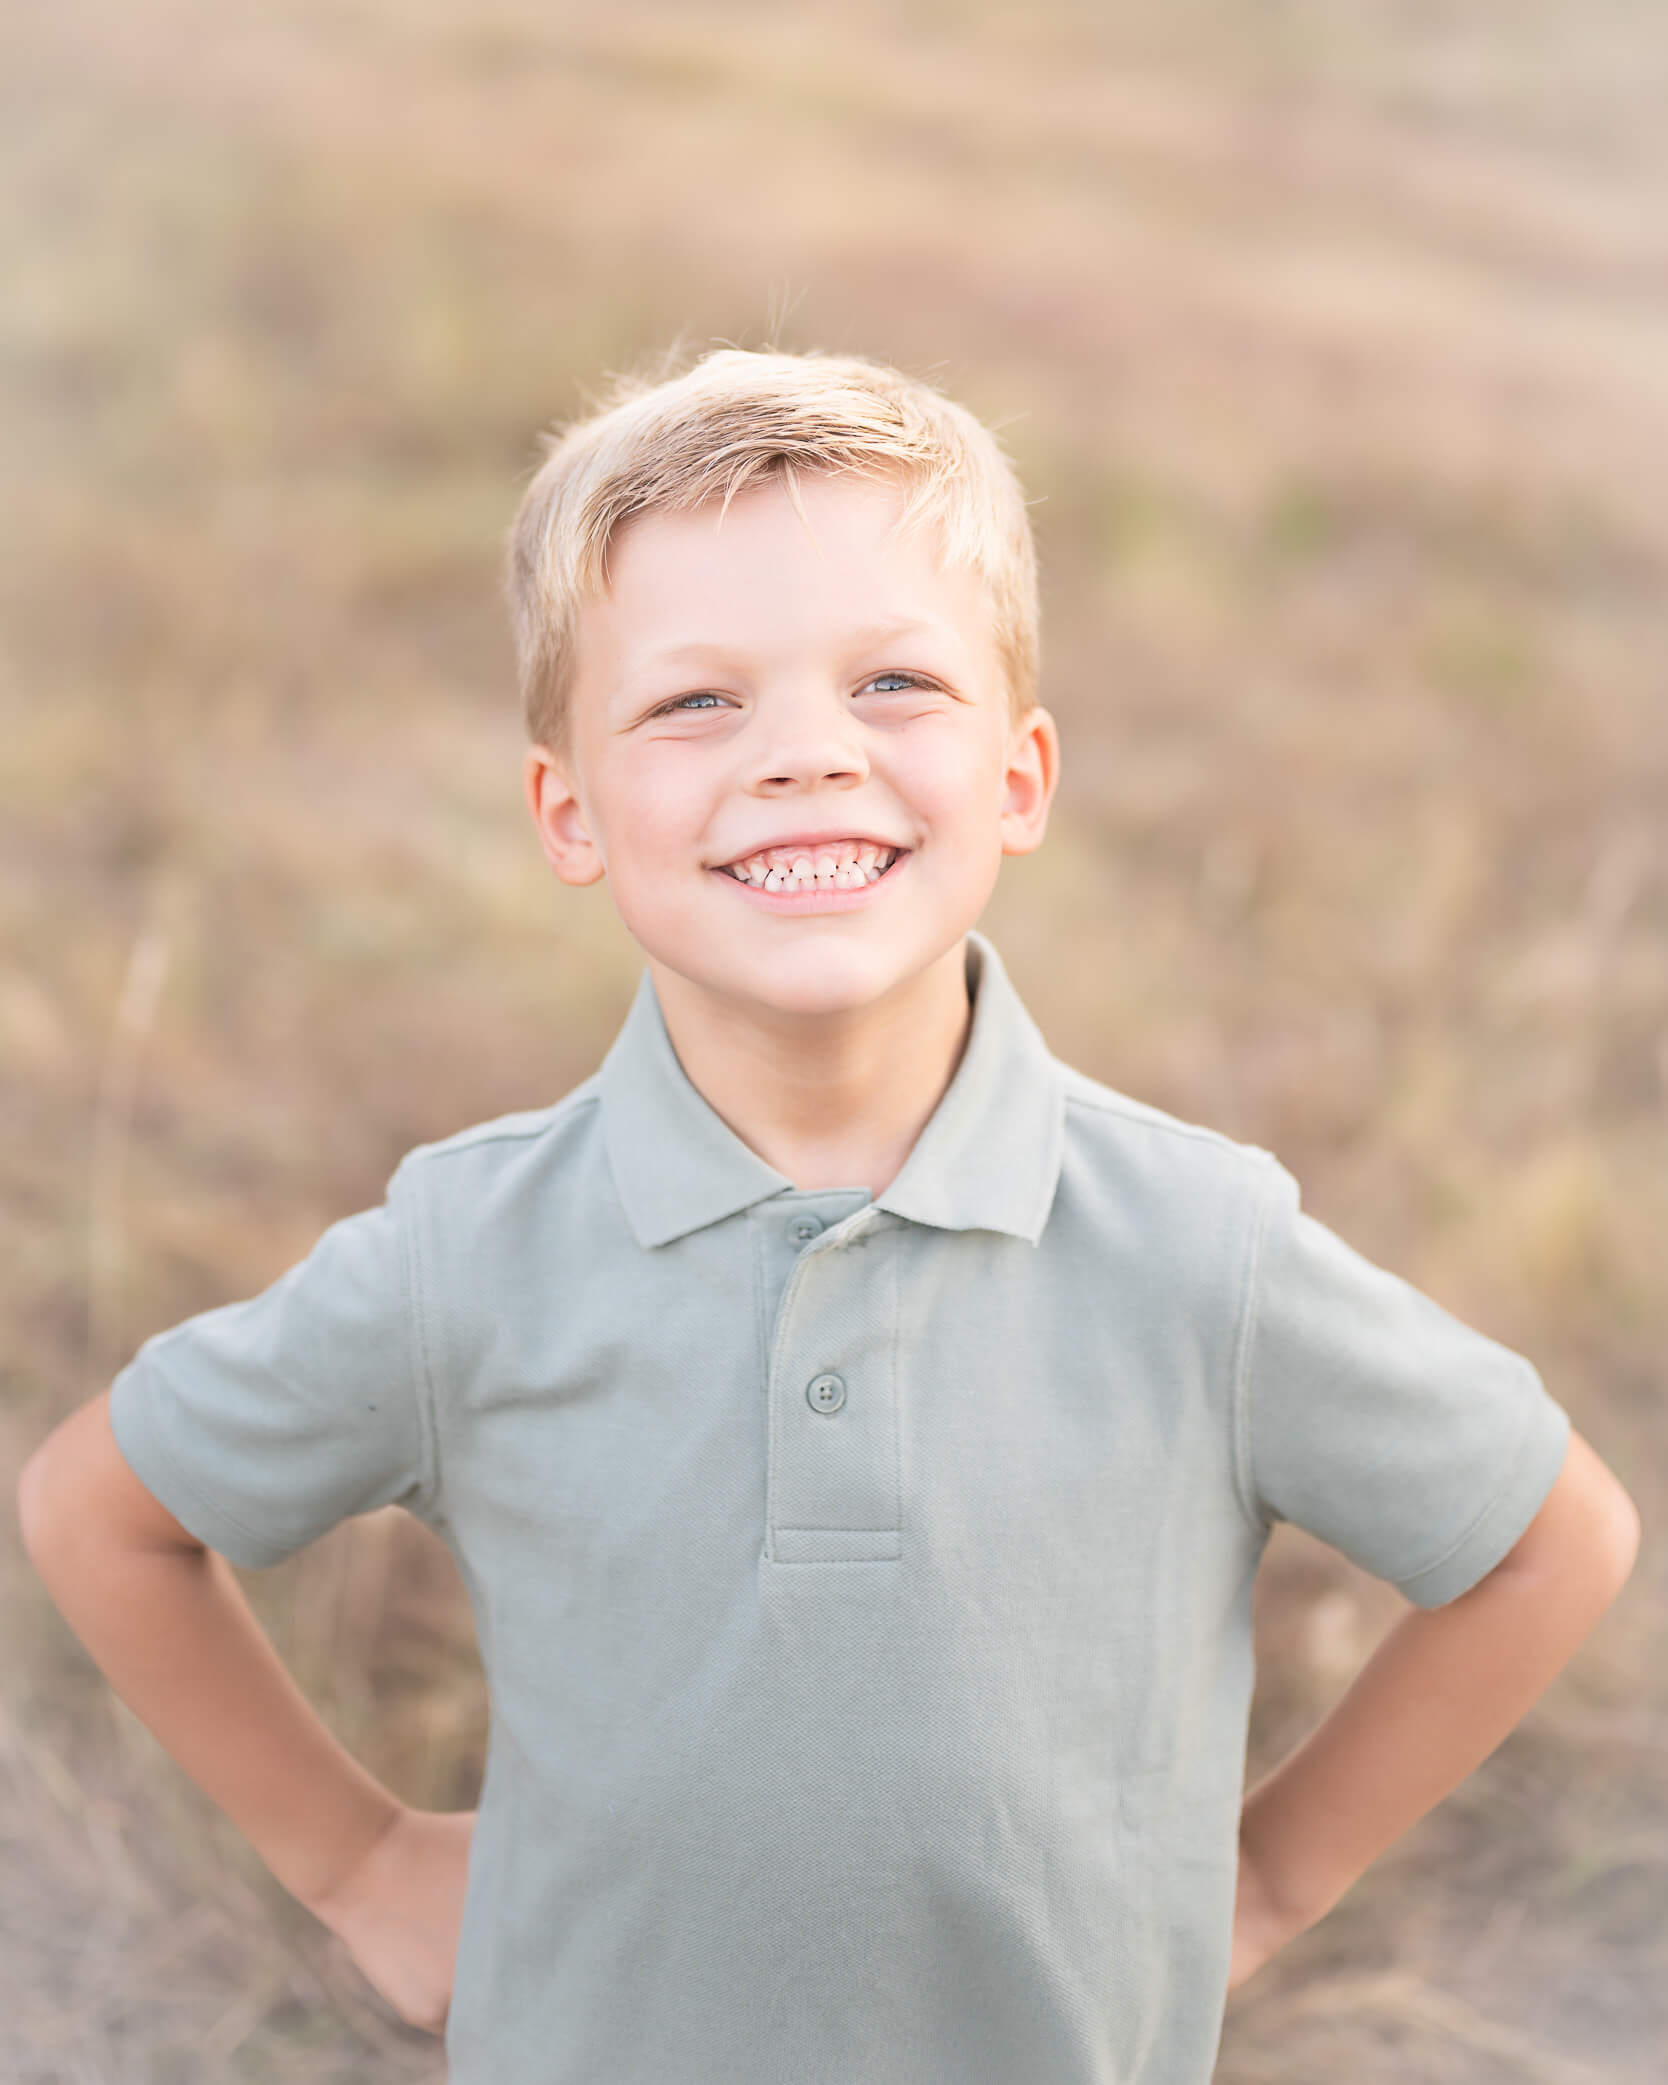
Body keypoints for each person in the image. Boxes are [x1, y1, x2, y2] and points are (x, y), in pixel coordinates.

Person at [19, 346, 1640, 2085]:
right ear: (569, 810)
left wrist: (1270, 1877)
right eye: (695, 702)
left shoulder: (1198, 1247)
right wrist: (352, 1859)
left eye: (890, 682)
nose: (803, 753)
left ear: (1019, 778)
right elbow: (101, 1510)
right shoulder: (465, 1253)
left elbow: (1549, 1537)